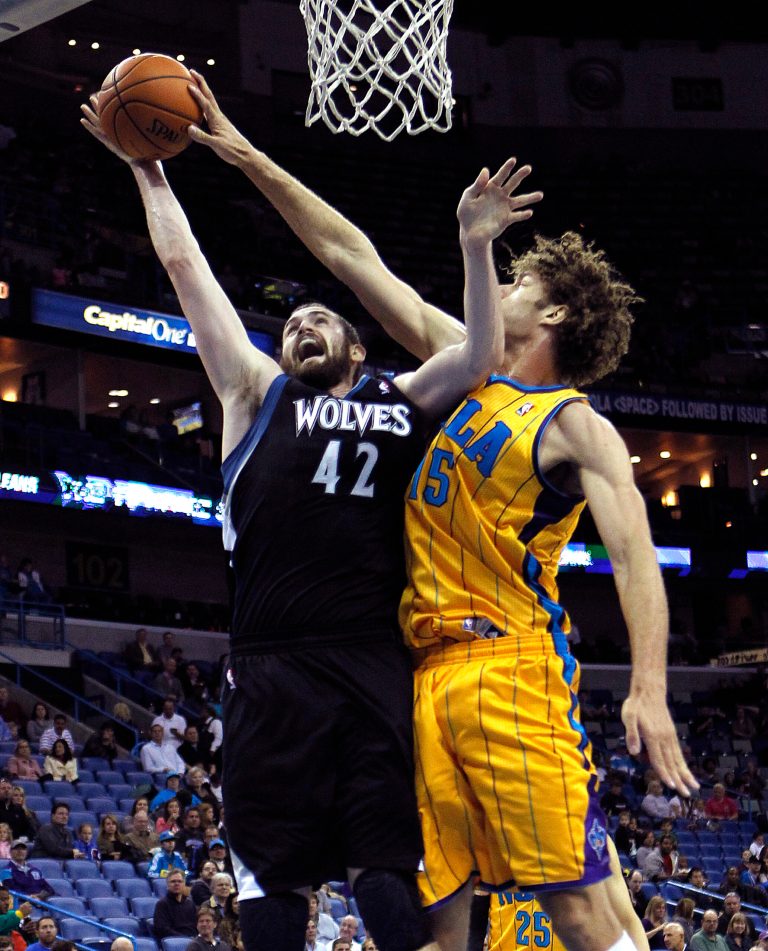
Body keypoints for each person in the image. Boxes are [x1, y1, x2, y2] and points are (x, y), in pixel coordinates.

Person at [159, 70, 700, 951]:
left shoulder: (574, 425)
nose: (510, 286)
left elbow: (636, 554)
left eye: (523, 279)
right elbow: (350, 254)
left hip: (509, 664)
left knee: (579, 906)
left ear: (554, 310)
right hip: (417, 674)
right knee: (436, 927)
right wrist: (241, 149)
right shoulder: (461, 361)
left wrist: (648, 685)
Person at [82, 75, 524, 951]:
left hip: (370, 659)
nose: (303, 328)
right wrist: (149, 171)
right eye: (292, 325)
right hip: (271, 666)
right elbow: (184, 269)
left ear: (357, 348)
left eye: (322, 321)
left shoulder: (400, 397)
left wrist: (476, 246)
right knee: (272, 874)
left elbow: (480, 354)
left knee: (384, 870)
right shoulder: (253, 393)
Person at [153, 868, 197, 939]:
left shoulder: (190, 903)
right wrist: (185, 938)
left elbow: (196, 926)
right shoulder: (162, 905)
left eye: (180, 881)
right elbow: (162, 930)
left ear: (184, 884)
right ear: (167, 885)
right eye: (173, 881)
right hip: (175, 942)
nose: (176, 884)